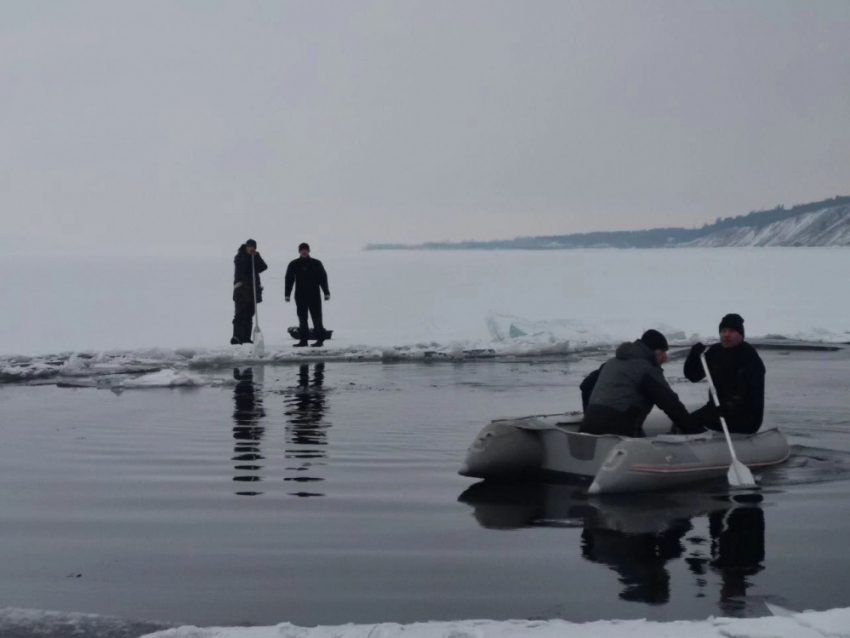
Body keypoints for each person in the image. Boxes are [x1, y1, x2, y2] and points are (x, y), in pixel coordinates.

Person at [579, 329, 692, 437]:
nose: (665, 357)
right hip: (617, 434)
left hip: (588, 428)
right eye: (662, 351)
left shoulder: (611, 362)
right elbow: (670, 403)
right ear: (650, 350)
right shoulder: (646, 369)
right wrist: (694, 430)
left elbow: (586, 386)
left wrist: (589, 413)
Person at [684, 313, 765, 435]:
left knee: (700, 420)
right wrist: (693, 356)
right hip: (717, 408)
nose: (726, 335)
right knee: (684, 423)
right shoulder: (715, 352)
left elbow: (750, 392)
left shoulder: (749, 357)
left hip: (745, 416)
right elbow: (694, 376)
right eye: (723, 331)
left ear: (741, 335)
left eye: (732, 331)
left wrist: (730, 406)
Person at [285, 243, 330, 348]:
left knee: (317, 318)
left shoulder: (316, 263)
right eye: (302, 250)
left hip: (314, 295)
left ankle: (320, 340)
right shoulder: (294, 264)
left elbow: (323, 278)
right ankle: (303, 340)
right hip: (300, 295)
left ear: (309, 251)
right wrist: (287, 294)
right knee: (302, 318)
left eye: (306, 249)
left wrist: (326, 292)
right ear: (299, 252)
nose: (304, 251)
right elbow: (289, 279)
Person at [231, 240, 268, 345]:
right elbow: (242, 267)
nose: (252, 249)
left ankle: (246, 337)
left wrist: (256, 257)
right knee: (239, 315)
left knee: (249, 315)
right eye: (250, 247)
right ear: (246, 247)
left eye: (254, 247)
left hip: (252, 293)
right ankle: (237, 336)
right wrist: (249, 257)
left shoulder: (255, 257)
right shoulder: (239, 257)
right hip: (241, 292)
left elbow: (263, 267)